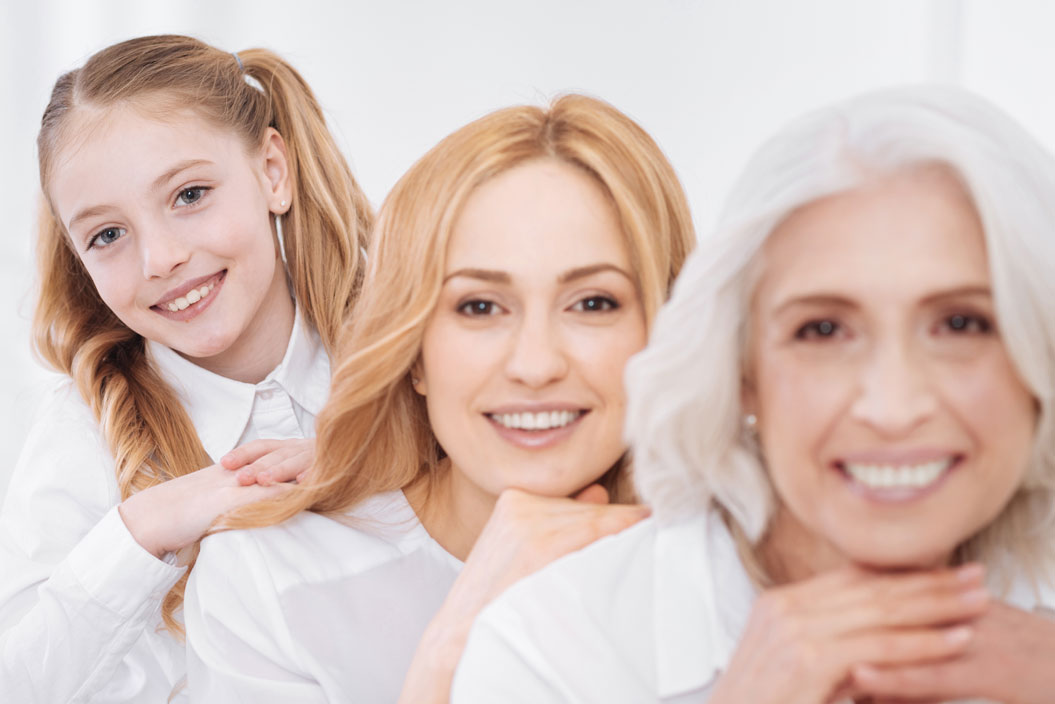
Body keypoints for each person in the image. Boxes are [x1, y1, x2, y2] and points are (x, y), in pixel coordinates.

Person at [451, 86, 1055, 703]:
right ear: (741, 373)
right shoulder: (553, 650)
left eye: (962, 325)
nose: (893, 408)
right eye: (822, 330)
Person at [183, 93, 695, 702]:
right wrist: (455, 638)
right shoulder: (271, 580)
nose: (535, 365)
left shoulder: (745, 555)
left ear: (664, 333)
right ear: (414, 352)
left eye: (593, 303)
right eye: (479, 307)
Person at [0, 34, 372, 702]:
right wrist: (144, 530)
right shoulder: (84, 434)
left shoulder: (400, 349)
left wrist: (372, 455)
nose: (159, 258)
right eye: (108, 235)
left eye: (190, 194)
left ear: (272, 172)